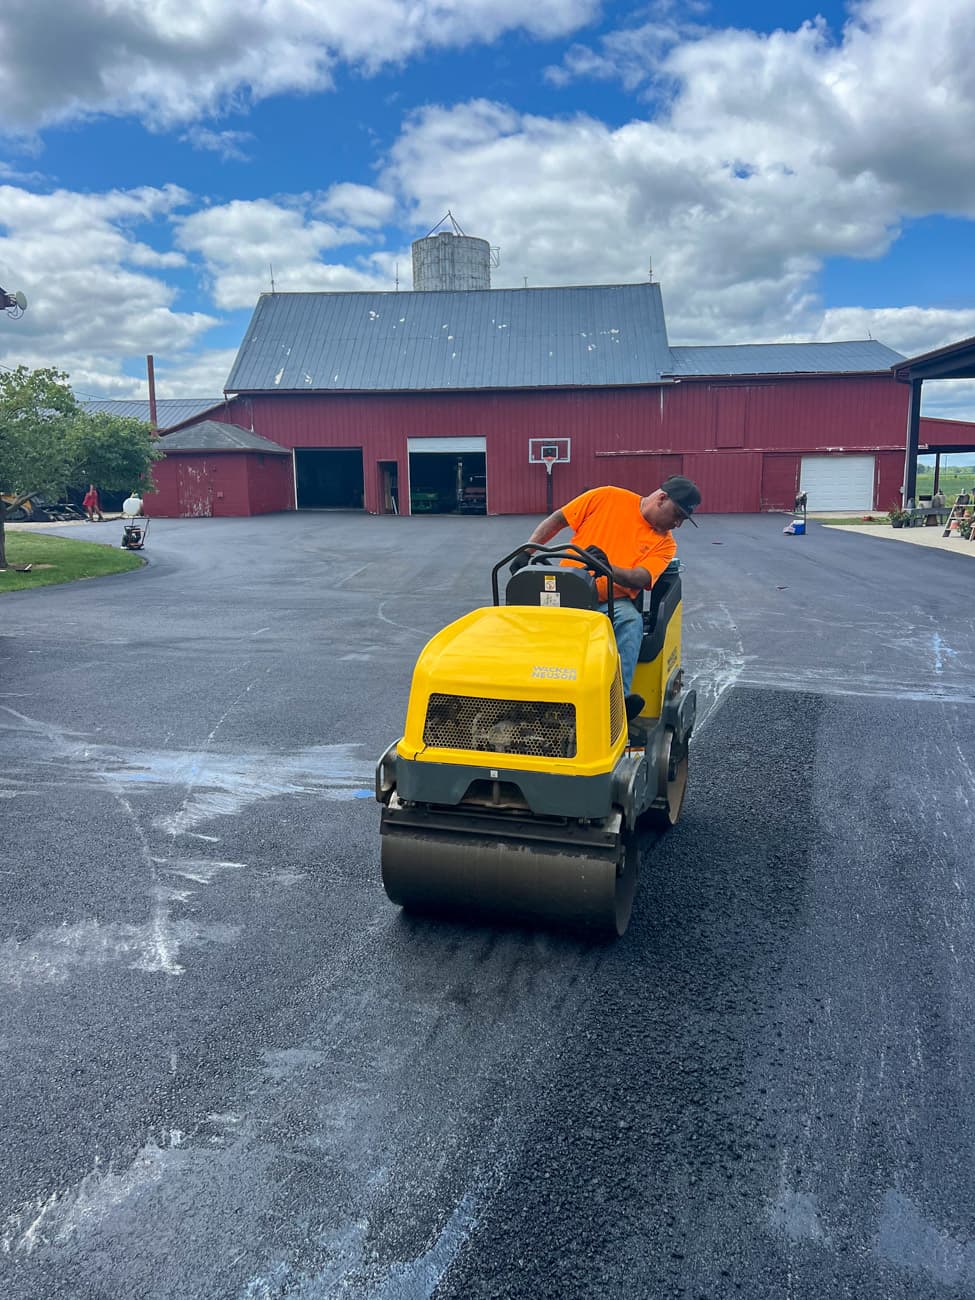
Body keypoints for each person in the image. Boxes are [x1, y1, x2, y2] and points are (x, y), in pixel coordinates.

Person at [512, 475, 701, 705]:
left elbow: (641, 577)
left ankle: (617, 702)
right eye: (677, 515)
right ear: (662, 498)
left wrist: (606, 568)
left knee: (631, 621)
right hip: (566, 590)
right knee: (520, 617)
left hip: (610, 603)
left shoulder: (665, 544)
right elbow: (559, 519)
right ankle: (519, 692)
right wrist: (527, 551)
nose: (677, 524)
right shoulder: (607, 497)